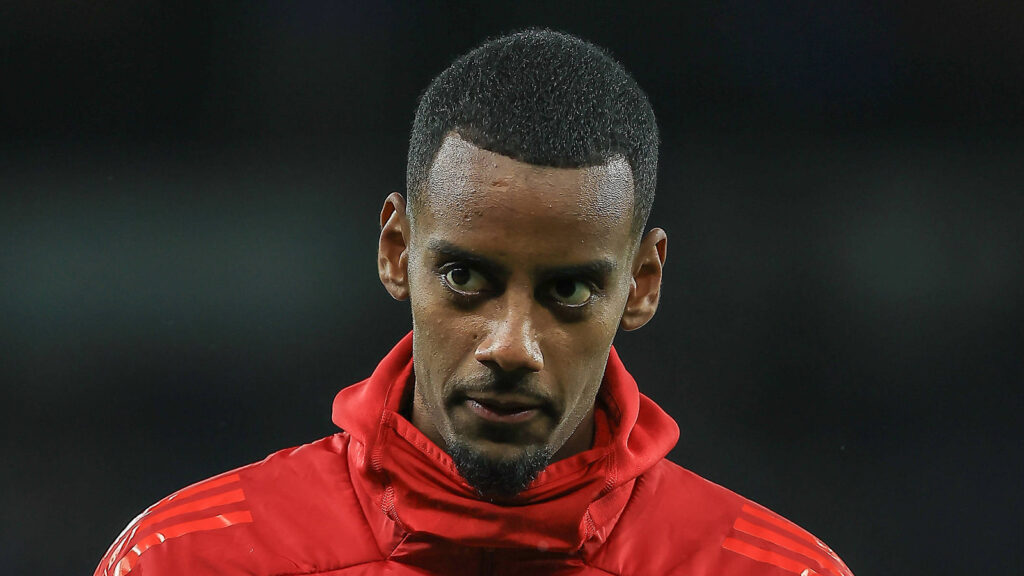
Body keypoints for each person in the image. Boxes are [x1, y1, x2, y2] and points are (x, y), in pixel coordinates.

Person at [95, 29, 853, 576]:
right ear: (396, 251)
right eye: (466, 278)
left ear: (642, 284)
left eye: (568, 290)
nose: (511, 345)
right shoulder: (188, 562)